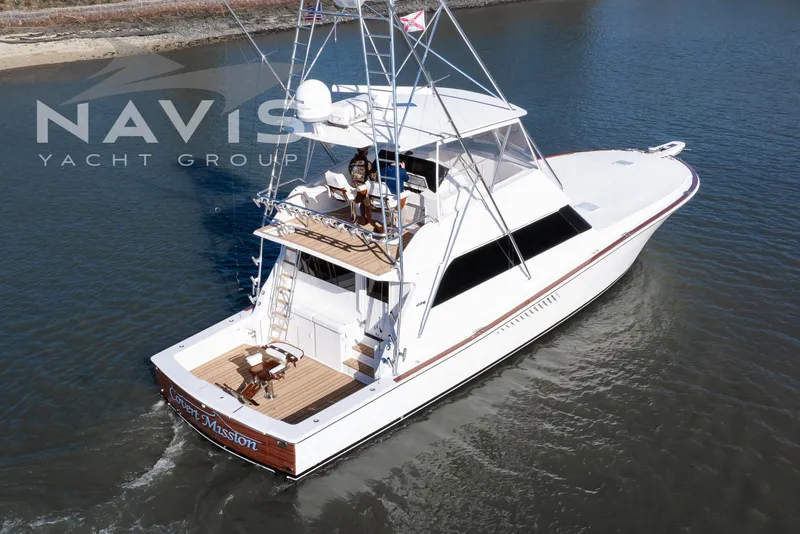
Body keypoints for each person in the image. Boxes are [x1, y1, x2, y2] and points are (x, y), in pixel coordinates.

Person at [348, 147, 372, 224]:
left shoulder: (352, 161)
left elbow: (350, 171)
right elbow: (373, 177)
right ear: (366, 152)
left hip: (352, 186)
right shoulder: (367, 164)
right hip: (361, 189)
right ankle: (367, 218)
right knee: (368, 200)